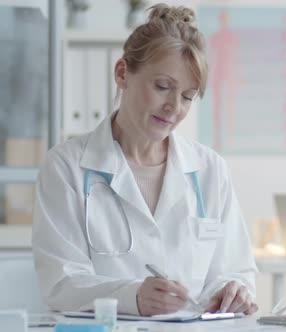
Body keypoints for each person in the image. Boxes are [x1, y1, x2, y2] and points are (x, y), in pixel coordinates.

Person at [32, 4, 258, 316]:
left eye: (187, 96)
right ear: (122, 73)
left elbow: (236, 269)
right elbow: (61, 283)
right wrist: (132, 296)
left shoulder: (209, 170)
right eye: (162, 87)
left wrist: (234, 291)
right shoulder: (66, 167)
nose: (173, 107)